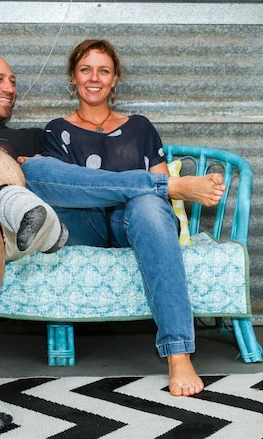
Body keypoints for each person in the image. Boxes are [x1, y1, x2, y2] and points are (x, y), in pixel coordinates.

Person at [0, 52, 224, 431]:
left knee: (22, 175)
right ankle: (13, 201)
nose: (10, 88)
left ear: (116, 80)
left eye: (12, 80)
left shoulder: (32, 137)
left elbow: (59, 180)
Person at [36, 38, 208, 397]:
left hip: (135, 224)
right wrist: (155, 186)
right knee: (40, 172)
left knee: (148, 204)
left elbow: (155, 203)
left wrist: (142, 193)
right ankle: (163, 187)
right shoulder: (57, 129)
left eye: (103, 70)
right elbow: (69, 189)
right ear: (73, 77)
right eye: (85, 70)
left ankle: (179, 354)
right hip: (85, 223)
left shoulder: (140, 127)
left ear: (115, 79)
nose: (94, 78)